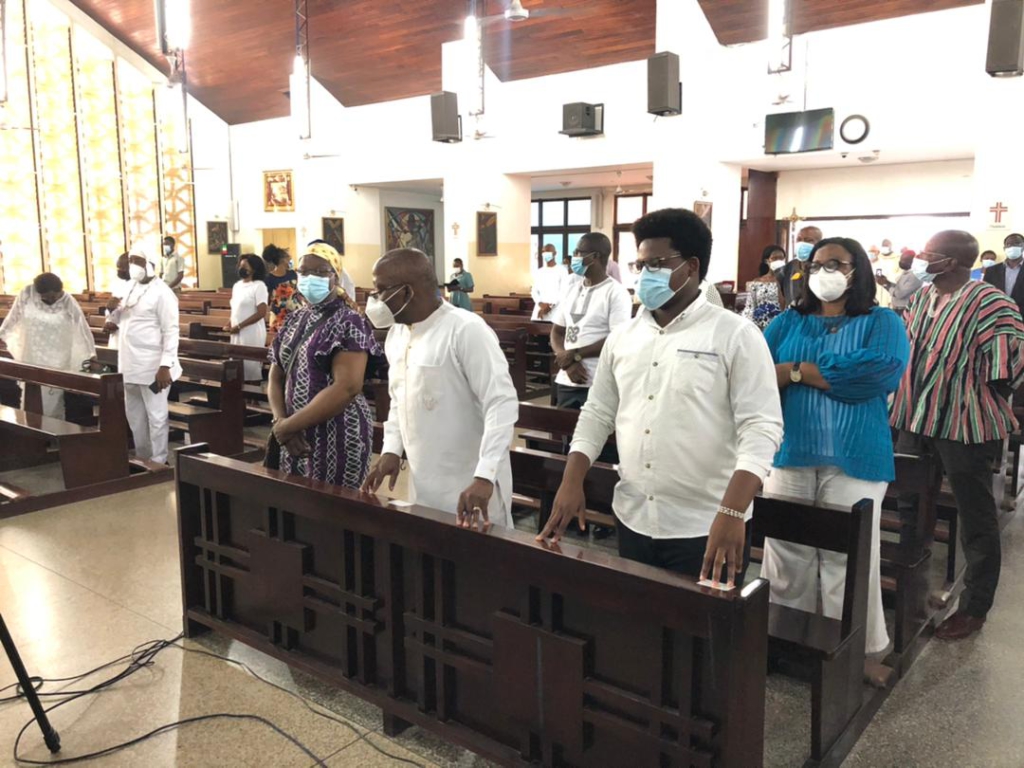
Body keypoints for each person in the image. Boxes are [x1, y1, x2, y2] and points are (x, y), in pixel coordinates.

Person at [538, 208, 784, 587]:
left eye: (656, 264)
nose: (645, 275)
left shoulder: (735, 335)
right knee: (643, 632)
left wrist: (733, 512)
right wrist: (573, 480)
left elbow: (762, 428)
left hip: (707, 521)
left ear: (691, 266)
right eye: (640, 265)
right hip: (634, 514)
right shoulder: (625, 337)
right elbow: (598, 412)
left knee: (706, 638)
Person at [762, 237, 909, 685]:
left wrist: (797, 371)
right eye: (818, 264)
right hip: (790, 453)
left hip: (857, 456)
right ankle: (787, 640)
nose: (826, 271)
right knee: (787, 553)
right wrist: (821, 370)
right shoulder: (788, 322)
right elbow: (757, 374)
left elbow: (878, 373)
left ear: (857, 271)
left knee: (851, 559)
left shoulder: (883, 321)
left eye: (837, 264)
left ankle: (857, 650)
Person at [892, 230, 1024, 641]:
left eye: (928, 253)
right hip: (914, 416)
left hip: (964, 424)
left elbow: (1009, 367)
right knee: (911, 505)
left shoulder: (991, 302)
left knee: (976, 517)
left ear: (949, 262)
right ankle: (912, 590)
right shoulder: (920, 298)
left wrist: (965, 392)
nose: (921, 258)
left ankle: (974, 607)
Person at [362, 248, 519, 531]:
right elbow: (399, 397)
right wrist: (391, 450)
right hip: (424, 481)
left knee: (483, 566)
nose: (375, 299)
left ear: (407, 292)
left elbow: (501, 404)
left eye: (381, 290)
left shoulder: (465, 330)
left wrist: (485, 476)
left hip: (470, 481)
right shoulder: (397, 334)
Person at [267, 242, 381, 486]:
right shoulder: (295, 318)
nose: (310, 278)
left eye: (320, 272)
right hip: (293, 434)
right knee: (297, 507)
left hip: (338, 433)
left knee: (332, 512)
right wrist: (281, 423)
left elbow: (347, 387)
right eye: (303, 272)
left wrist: (288, 427)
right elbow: (276, 375)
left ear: (336, 277)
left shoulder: (349, 320)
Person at [114, 246, 181, 465]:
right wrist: (109, 313)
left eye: (137, 261)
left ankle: (160, 460)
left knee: (156, 416)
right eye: (131, 260)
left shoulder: (163, 293)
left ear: (149, 263)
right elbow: (120, 318)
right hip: (128, 363)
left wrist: (165, 366)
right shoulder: (128, 287)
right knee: (134, 416)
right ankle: (143, 456)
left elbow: (171, 331)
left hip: (153, 366)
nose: (132, 265)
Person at [550, 233, 632, 409]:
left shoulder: (616, 293)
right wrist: (565, 359)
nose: (574, 256)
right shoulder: (571, 289)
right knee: (564, 433)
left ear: (595, 256)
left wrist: (576, 355)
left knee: (595, 435)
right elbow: (557, 331)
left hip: (597, 380)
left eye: (579, 252)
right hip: (567, 378)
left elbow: (617, 338)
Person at [0, 273, 96, 418]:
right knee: (30, 396)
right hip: (32, 353)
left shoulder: (67, 300)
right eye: (46, 297)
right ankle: (30, 429)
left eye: (54, 296)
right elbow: (12, 318)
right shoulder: (27, 294)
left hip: (58, 357)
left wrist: (91, 354)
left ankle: (52, 430)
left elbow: (82, 327)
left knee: (53, 398)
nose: (51, 300)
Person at [225, 255, 269, 382]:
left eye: (244, 266)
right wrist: (229, 323)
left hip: (251, 331)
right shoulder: (237, 286)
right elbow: (235, 309)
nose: (241, 268)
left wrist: (240, 326)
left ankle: (253, 398)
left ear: (254, 269)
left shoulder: (258, 286)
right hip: (236, 330)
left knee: (250, 365)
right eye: (240, 266)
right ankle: (241, 396)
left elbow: (261, 313)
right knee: (237, 362)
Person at [741, 245, 787, 329]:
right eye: (775, 258)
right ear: (767, 261)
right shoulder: (757, 282)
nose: (778, 261)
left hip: (781, 325)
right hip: (760, 326)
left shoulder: (788, 281)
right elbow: (750, 307)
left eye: (781, 258)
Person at [982, 232, 1024, 317]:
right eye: (1009, 244)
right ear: (1004, 248)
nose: (1012, 247)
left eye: (1017, 243)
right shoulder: (991, 271)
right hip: (997, 317)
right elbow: (986, 295)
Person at [262, 244, 301, 331]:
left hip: (295, 314)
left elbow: (298, 293)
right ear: (283, 260)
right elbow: (266, 300)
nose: (290, 260)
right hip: (278, 316)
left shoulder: (293, 274)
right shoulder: (269, 278)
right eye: (288, 258)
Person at [876, 248, 923, 318]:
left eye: (904, 260)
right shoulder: (906, 272)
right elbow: (898, 287)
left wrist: (885, 284)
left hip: (904, 309)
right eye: (901, 259)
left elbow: (899, 294)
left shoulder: (915, 276)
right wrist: (886, 282)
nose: (901, 262)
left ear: (912, 262)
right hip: (897, 308)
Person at [781, 226, 823, 305]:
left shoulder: (824, 268)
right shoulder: (788, 268)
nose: (802, 243)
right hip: (792, 315)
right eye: (799, 240)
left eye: (808, 240)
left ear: (820, 243)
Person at [103, 253, 132, 350]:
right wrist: (109, 320)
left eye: (122, 268)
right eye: (118, 268)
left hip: (132, 339)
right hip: (117, 339)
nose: (119, 271)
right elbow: (112, 309)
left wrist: (119, 325)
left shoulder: (143, 287)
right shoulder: (118, 285)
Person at [531, 245, 566, 321]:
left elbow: (564, 292)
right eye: (543, 251)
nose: (545, 253)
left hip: (556, 309)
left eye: (548, 251)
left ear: (555, 253)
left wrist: (550, 306)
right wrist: (540, 303)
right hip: (540, 308)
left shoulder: (562, 270)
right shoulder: (539, 271)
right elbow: (534, 291)